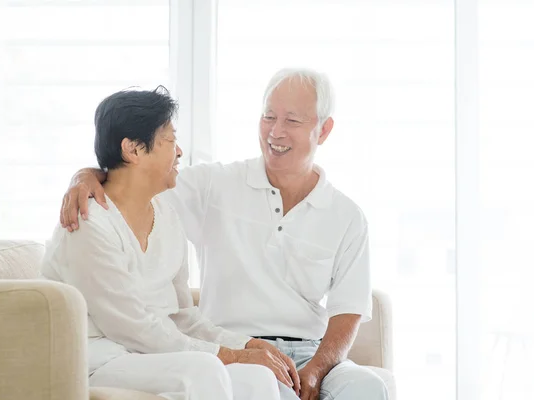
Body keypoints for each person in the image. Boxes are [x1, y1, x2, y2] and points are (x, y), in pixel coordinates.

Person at [61, 69, 389, 400]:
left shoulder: (347, 216)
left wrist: (316, 371)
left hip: (308, 351)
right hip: (229, 341)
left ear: (324, 129)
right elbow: (133, 179)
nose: (276, 131)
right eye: (268, 116)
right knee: (271, 389)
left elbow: (348, 310)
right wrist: (87, 175)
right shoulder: (212, 186)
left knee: (367, 388)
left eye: (292, 121)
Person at [41, 86, 285, 400]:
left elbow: (182, 316)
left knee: (256, 377)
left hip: (147, 353)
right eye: (170, 139)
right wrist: (228, 355)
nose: (179, 151)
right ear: (133, 150)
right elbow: (130, 327)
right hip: (95, 358)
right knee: (203, 371)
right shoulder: (89, 224)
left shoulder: (168, 215)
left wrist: (244, 345)